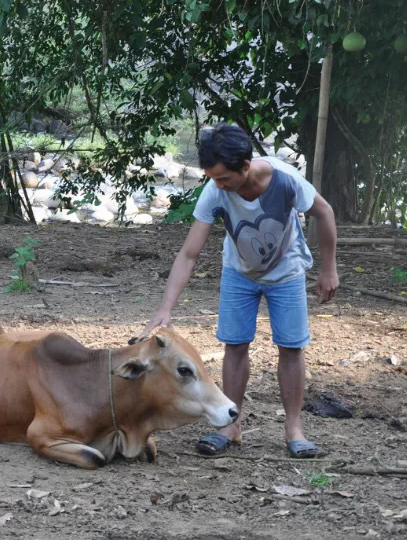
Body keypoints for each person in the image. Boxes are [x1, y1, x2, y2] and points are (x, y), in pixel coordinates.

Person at [137, 123, 338, 458]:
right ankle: (230, 426)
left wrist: (329, 269)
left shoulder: (285, 179)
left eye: (224, 178)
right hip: (239, 273)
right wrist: (166, 306)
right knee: (235, 345)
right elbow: (189, 253)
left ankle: (294, 430)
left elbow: (325, 212)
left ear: (245, 167)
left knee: (291, 348)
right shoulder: (215, 191)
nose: (218, 185)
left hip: (287, 273)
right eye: (214, 178)